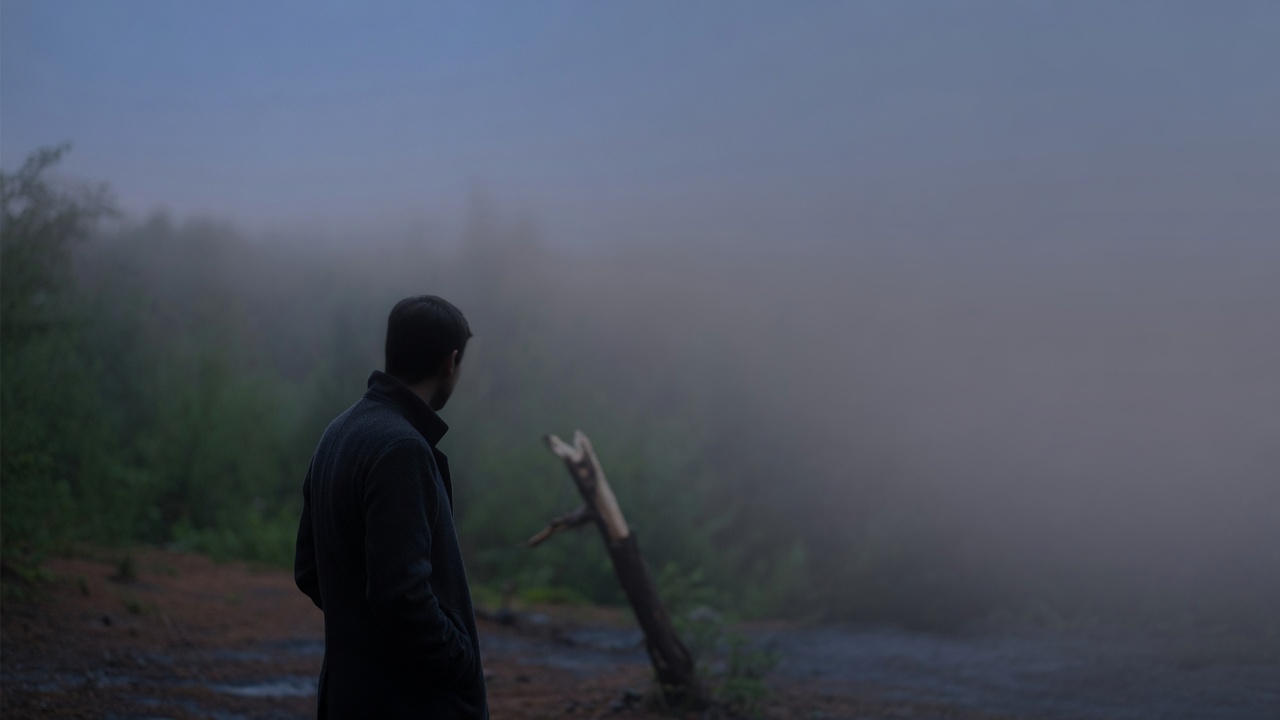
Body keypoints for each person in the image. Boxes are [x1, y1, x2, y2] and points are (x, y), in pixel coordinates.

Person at [294, 295, 487, 719]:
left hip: (349, 697)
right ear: (450, 362)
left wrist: (359, 629)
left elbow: (309, 570)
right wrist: (460, 658)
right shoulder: (402, 448)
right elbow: (401, 595)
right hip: (405, 705)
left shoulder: (338, 431)